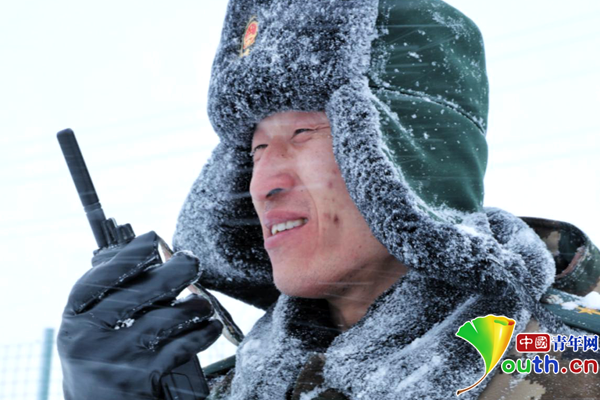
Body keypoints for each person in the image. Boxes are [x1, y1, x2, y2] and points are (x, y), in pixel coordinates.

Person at [58, 0, 600, 399]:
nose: (262, 183)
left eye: (302, 134)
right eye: (256, 149)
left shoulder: (573, 367)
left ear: (407, 158)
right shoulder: (227, 389)